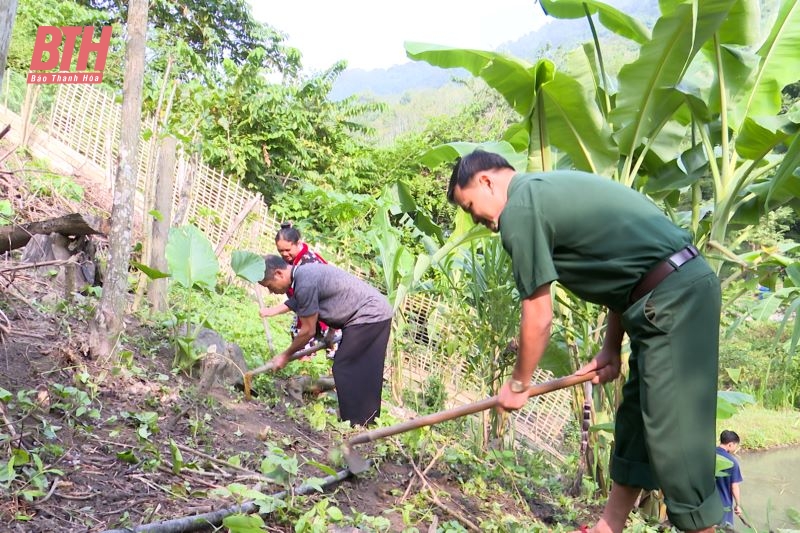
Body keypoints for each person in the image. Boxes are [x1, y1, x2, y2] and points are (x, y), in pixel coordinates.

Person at [447, 150, 723, 533]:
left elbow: (539, 317)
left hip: (674, 300)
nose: (481, 221)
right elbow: (626, 272)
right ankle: (607, 528)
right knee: (635, 423)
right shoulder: (544, 190)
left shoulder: (521, 209)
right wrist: (611, 347)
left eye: (472, 207)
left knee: (677, 441)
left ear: (487, 182)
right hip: (661, 296)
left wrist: (517, 385)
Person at [259, 255, 393, 426]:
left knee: (345, 366)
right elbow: (335, 297)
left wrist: (285, 356)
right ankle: (367, 419)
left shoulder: (304, 282)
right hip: (376, 311)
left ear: (278, 274)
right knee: (365, 368)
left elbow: (308, 331)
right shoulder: (305, 273)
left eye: (269, 286)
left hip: (369, 314)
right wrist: (330, 333)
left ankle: (356, 421)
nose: (271, 291)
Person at [259, 223, 338, 355]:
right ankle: (304, 367)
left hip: (326, 306)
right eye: (280, 251)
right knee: (299, 335)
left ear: (298, 243)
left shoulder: (309, 263)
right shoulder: (291, 261)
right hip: (305, 305)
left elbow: (300, 298)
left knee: (330, 342)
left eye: (288, 250)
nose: (284, 254)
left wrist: (272, 311)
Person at [715, 430, 744, 529]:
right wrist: (738, 505)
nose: (735, 449)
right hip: (724, 505)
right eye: (736, 446)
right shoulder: (732, 462)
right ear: (730, 444)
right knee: (724, 529)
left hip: (706, 503)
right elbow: (734, 486)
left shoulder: (708, 455)